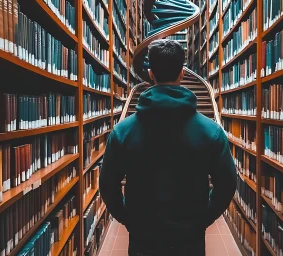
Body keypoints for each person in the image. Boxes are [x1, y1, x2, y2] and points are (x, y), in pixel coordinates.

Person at [99, 39, 237, 256]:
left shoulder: (123, 132)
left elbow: (108, 185)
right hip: (189, 241)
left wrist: (130, 219)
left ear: (151, 74)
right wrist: (202, 219)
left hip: (143, 240)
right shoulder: (211, 132)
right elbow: (227, 184)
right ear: (183, 74)